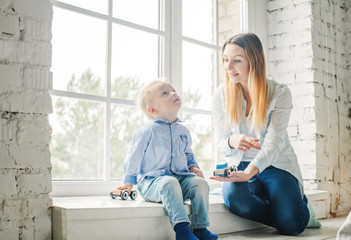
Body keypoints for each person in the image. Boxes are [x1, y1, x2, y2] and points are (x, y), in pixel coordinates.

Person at [210, 32, 321, 235]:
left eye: (236, 60)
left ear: (254, 60)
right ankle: (283, 211)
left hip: (276, 165)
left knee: (292, 227)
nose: (228, 67)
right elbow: (220, 141)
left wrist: (250, 173)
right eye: (225, 60)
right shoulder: (221, 95)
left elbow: (273, 143)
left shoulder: (279, 92)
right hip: (239, 164)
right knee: (237, 202)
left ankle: (294, 209)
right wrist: (232, 140)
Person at [116, 80, 218, 240]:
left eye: (173, 90)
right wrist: (128, 182)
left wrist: (193, 166)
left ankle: (200, 228)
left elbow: (188, 153)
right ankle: (182, 231)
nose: (173, 93)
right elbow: (133, 158)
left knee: (200, 184)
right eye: (165, 93)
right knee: (169, 182)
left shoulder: (183, 130)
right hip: (152, 183)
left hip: (179, 181)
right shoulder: (146, 132)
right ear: (152, 109)